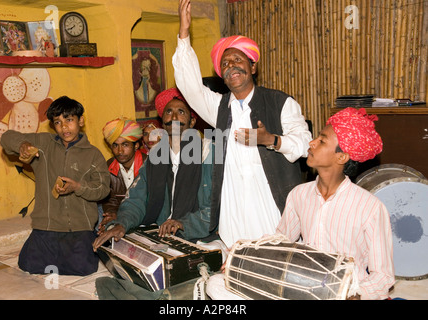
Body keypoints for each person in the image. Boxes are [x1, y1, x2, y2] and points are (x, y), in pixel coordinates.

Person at [207, 107, 395, 300]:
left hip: (344, 290)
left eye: (321, 141)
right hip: (298, 283)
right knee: (216, 284)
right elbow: (281, 239)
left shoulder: (370, 207)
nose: (312, 143)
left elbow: (383, 276)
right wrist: (242, 256)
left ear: (342, 157)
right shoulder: (299, 194)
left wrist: (356, 295)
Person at [173, 0, 312, 249]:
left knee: (275, 262)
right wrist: (184, 34)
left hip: (271, 205)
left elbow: (304, 145)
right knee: (237, 265)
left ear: (253, 66)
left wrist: (271, 140)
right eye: (224, 64)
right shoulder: (218, 107)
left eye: (237, 60)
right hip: (233, 206)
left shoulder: (280, 102)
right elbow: (190, 87)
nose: (231, 67)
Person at [92, 87, 217, 252]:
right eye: (168, 112)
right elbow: (137, 198)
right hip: (161, 232)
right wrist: (122, 223)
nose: (173, 117)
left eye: (181, 112)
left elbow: (216, 207)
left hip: (200, 236)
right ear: (162, 120)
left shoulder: (208, 153)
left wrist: (183, 224)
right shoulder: (155, 157)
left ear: (192, 121)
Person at [0, 96, 110, 276]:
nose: (64, 126)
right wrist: (23, 145)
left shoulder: (93, 155)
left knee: (84, 268)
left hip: (78, 227)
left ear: (80, 121)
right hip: (47, 226)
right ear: (53, 125)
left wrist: (78, 187)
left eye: (69, 120)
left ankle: (78, 251)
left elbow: (103, 189)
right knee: (27, 264)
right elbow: (7, 137)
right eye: (57, 122)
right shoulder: (44, 144)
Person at [96, 118, 147, 233]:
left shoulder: (149, 166)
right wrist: (112, 214)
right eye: (115, 145)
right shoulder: (108, 167)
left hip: (144, 216)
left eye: (125, 145)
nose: (120, 151)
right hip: (120, 216)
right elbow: (110, 200)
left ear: (136, 146)